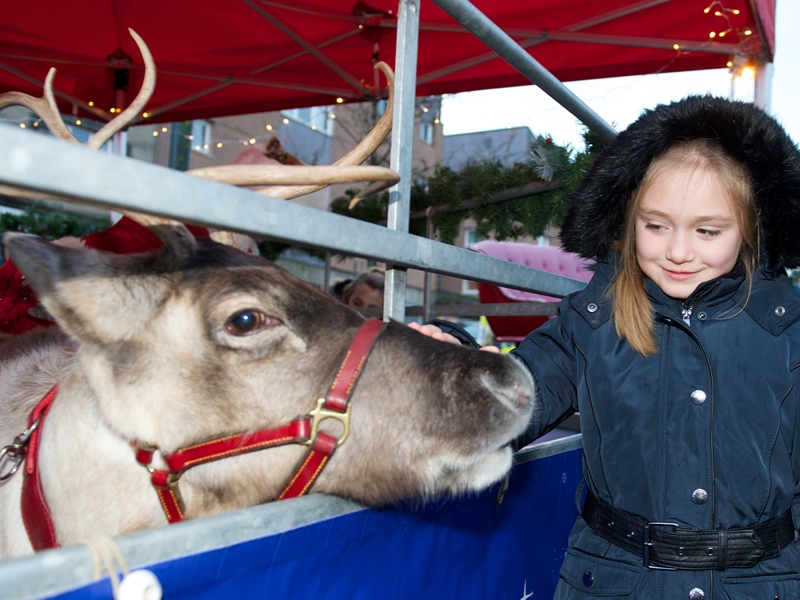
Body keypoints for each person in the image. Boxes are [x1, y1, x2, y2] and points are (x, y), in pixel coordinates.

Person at [412, 95, 800, 598]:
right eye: (655, 226)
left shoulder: (788, 332)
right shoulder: (592, 320)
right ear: (629, 219)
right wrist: (454, 366)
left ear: (749, 230)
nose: (678, 251)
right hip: (613, 582)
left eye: (707, 231)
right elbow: (515, 397)